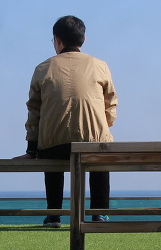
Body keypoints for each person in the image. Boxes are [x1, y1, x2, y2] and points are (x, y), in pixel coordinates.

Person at [17, 15, 117, 226]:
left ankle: (54, 213)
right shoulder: (100, 66)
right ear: (83, 39)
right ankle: (99, 213)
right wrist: (102, 125)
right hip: (93, 144)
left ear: (57, 40)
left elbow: (34, 111)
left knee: (51, 159)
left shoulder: (43, 68)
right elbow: (111, 105)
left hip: (54, 146)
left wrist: (31, 148)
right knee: (101, 154)